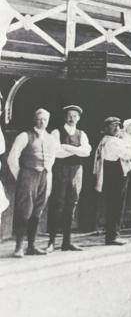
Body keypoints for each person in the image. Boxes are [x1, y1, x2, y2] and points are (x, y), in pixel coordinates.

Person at [6, 108, 60, 257]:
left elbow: (53, 156)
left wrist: (48, 171)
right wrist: (21, 176)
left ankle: (31, 246)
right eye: (39, 119)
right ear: (34, 120)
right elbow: (12, 158)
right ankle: (19, 247)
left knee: (38, 211)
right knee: (25, 210)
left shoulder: (51, 138)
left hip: (45, 176)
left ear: (48, 121)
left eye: (45, 119)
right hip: (28, 175)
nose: (42, 122)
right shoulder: (25, 136)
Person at [45, 105, 91, 252]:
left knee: (72, 204)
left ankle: (67, 242)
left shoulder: (82, 133)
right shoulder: (56, 132)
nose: (72, 119)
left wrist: (66, 147)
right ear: (65, 117)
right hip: (60, 170)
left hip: (76, 171)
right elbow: (56, 152)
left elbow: (87, 152)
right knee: (57, 204)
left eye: (75, 116)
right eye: (69, 116)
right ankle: (51, 242)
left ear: (79, 118)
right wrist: (77, 150)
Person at [94, 118, 131, 246]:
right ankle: (112, 236)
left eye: (117, 126)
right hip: (115, 176)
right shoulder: (111, 141)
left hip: (116, 175)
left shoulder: (112, 140)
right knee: (115, 206)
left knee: (115, 206)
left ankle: (114, 235)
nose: (116, 128)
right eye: (112, 126)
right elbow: (127, 154)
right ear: (106, 128)